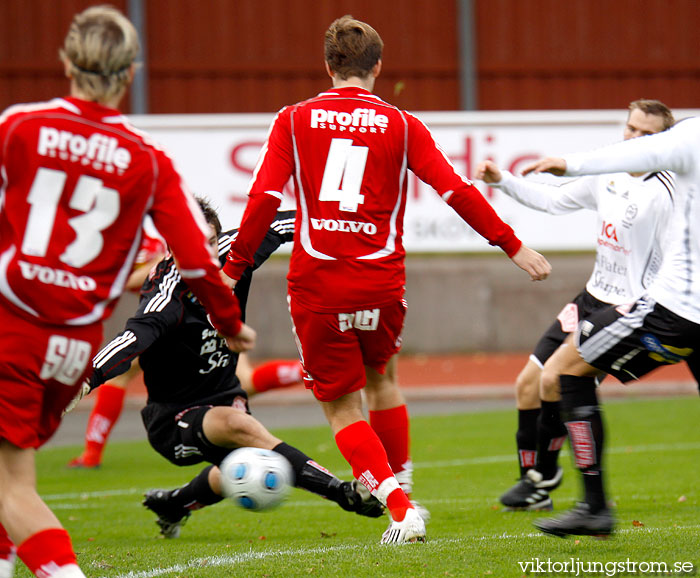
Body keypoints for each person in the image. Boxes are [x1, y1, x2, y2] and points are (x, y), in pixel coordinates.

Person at [223, 15, 551, 544]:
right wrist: (513, 245)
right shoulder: (402, 124)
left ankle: (400, 510)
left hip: (319, 283)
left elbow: (263, 200)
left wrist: (234, 267)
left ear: (328, 66)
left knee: (341, 406)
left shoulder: (293, 120)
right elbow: (457, 191)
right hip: (382, 283)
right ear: (378, 66)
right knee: (384, 381)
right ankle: (402, 484)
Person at [0, 6, 254, 578]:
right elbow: (195, 259)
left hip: (13, 328)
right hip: (72, 347)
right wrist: (231, 324)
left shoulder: (20, 126)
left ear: (65, 60)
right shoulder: (148, 160)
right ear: (130, 71)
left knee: (12, 484)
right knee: (8, 476)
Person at [78, 200, 383, 538]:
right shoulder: (166, 295)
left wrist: (351, 226)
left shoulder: (236, 253)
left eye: (209, 242)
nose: (203, 254)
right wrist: (83, 380)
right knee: (242, 429)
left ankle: (175, 503)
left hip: (226, 395)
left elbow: (287, 223)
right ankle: (343, 492)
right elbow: (132, 338)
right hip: (172, 418)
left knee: (238, 468)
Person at [474, 99, 675, 512]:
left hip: (624, 311)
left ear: (664, 142)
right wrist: (502, 180)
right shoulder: (610, 173)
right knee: (527, 385)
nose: (634, 138)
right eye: (631, 128)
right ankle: (534, 487)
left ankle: (545, 478)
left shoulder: (667, 193)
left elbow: (672, 260)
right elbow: (554, 200)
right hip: (591, 296)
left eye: (646, 134)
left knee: (555, 379)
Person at [518, 112, 700, 538]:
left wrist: (570, 163)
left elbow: (645, 152)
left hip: (676, 309)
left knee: (567, 372)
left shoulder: (691, 136)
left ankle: (593, 507)